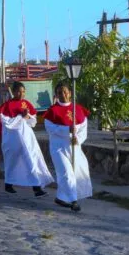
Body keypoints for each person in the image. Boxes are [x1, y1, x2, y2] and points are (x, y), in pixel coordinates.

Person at [43, 82, 92, 212]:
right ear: (56, 95)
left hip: (74, 147)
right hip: (58, 147)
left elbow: (83, 129)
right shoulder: (52, 111)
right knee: (66, 173)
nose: (62, 94)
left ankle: (61, 197)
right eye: (59, 92)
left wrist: (78, 139)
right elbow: (50, 128)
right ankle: (73, 201)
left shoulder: (78, 109)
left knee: (76, 173)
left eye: (65, 92)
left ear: (70, 93)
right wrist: (67, 130)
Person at [0, 81, 53, 197]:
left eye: (23, 91)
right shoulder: (7, 106)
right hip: (13, 138)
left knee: (31, 160)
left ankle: (36, 188)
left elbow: (33, 122)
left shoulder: (27, 104)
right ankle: (8, 183)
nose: (21, 94)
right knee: (13, 162)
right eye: (18, 91)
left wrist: (27, 116)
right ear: (13, 92)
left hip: (27, 137)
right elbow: (7, 123)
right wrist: (20, 117)